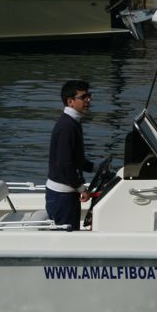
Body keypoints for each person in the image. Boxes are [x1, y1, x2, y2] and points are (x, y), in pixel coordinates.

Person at [46, 80, 95, 231]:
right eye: (84, 96)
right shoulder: (67, 127)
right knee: (65, 239)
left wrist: (95, 167)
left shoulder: (73, 122)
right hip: (62, 196)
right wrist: (82, 189)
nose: (89, 100)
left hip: (66, 195)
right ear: (70, 101)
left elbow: (76, 159)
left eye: (89, 96)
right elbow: (64, 165)